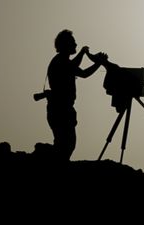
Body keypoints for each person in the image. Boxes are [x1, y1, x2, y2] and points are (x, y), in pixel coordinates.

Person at [45, 29, 108, 161]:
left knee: (65, 145)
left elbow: (76, 68)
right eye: (73, 43)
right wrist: (98, 62)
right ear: (65, 45)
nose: (75, 45)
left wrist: (85, 55)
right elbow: (83, 73)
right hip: (60, 110)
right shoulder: (61, 61)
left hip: (61, 109)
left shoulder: (61, 61)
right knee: (65, 145)